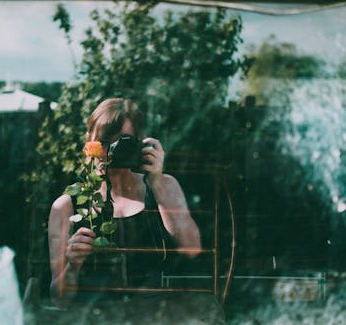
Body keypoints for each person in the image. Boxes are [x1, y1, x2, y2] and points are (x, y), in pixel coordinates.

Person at [47, 98, 225, 324]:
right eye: (104, 142)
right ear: (88, 143)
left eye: (122, 142)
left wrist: (157, 181)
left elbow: (191, 249)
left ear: (140, 144)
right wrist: (72, 266)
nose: (112, 151)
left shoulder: (164, 186)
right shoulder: (66, 207)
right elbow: (59, 300)